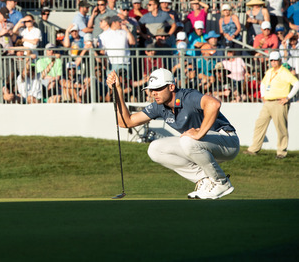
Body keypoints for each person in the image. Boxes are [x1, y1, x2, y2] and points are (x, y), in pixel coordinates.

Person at [107, 67, 239, 199]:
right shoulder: (159, 106)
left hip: (227, 141)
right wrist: (118, 90)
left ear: (171, 87)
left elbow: (214, 104)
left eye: (158, 89)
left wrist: (200, 133)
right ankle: (205, 180)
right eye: (152, 89)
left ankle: (221, 182)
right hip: (199, 146)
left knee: (187, 140)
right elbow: (126, 122)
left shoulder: (187, 96)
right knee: (155, 148)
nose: (154, 93)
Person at [244, 51, 299, 159]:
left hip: (279, 102)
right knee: (260, 124)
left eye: (275, 60)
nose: (273, 62)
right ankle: (253, 149)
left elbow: (297, 84)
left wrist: (288, 97)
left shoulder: (285, 72)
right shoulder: (269, 71)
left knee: (281, 127)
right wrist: (263, 95)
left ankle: (281, 152)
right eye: (272, 60)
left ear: (280, 61)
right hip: (268, 102)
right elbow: (263, 84)